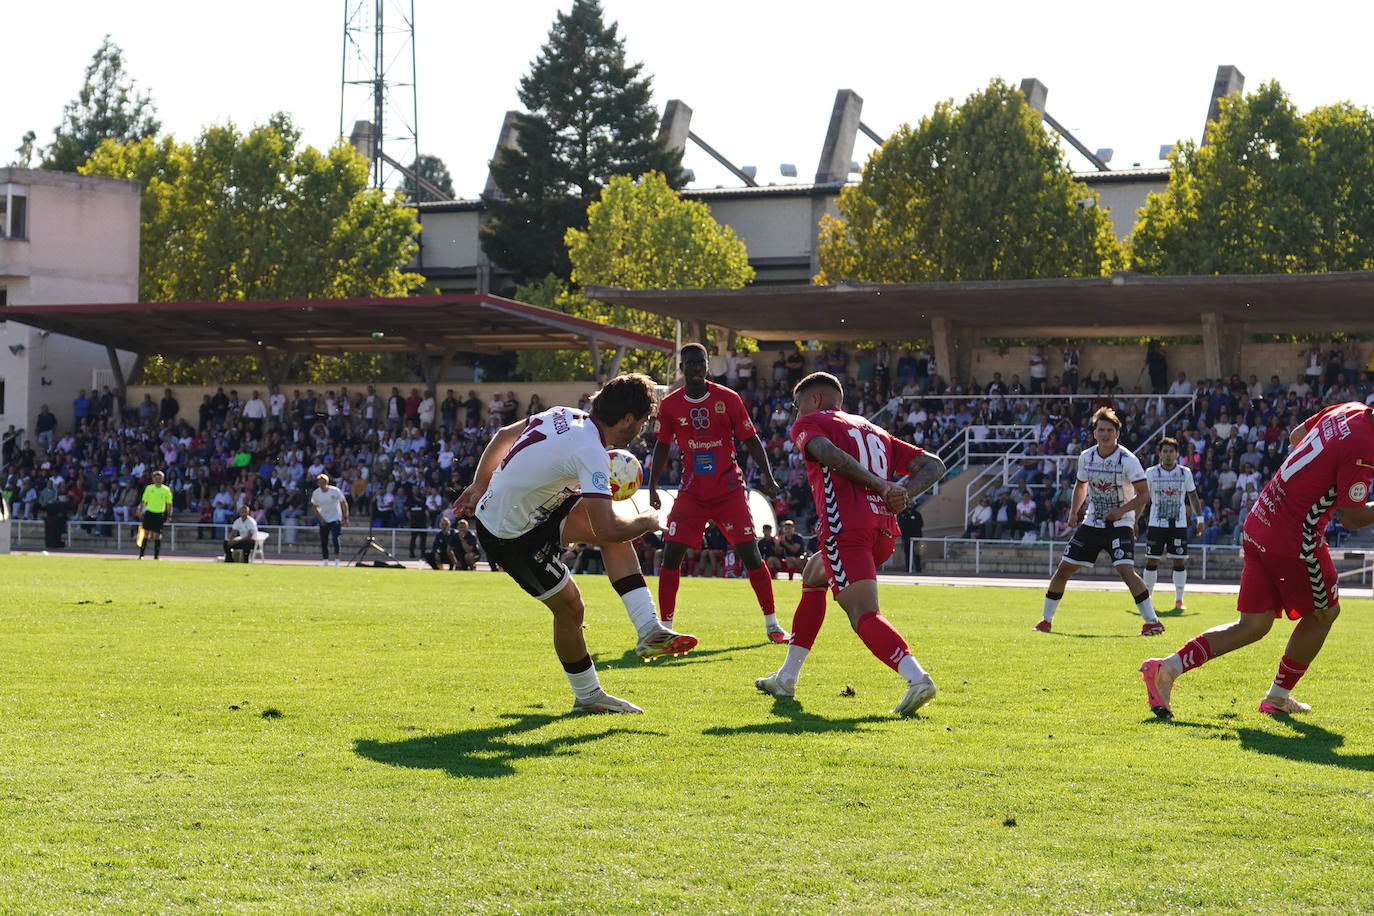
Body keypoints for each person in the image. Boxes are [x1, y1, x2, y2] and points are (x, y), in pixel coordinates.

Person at [456, 372, 696, 715]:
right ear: (626, 419)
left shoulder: (566, 414)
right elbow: (609, 528)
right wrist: (649, 521)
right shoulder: (590, 451)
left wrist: (480, 483)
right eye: (643, 421)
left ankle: (648, 629)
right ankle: (587, 696)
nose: (643, 429)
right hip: (509, 535)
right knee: (571, 609)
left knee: (614, 533)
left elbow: (503, 435)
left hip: (535, 507)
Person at [1142, 402, 1374, 719]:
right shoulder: (1365, 445)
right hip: (1294, 535)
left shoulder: (1349, 409)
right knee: (1325, 613)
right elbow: (1352, 517)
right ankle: (1277, 698)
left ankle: (1166, 669)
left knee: (1254, 624)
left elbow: (1296, 436)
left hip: (1261, 518)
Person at [755, 372, 947, 715]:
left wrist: (882, 485)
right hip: (883, 531)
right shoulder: (872, 429)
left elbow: (824, 452)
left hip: (848, 529)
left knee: (863, 613)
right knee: (814, 575)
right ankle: (786, 677)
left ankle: (917, 678)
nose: (796, 414)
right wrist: (898, 492)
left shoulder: (811, 422)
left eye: (797, 405)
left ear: (814, 400)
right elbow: (934, 465)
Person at [648, 343, 785, 643]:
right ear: (682, 366)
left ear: (708, 365)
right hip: (691, 491)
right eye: (690, 363)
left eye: (701, 362)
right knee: (671, 553)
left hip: (728, 490)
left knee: (750, 553)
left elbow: (750, 439)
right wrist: (654, 485)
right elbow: (661, 445)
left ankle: (772, 624)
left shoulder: (728, 399)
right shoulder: (670, 405)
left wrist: (767, 474)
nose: (696, 367)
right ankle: (665, 626)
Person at [1034, 407, 1163, 635]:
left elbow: (1144, 495)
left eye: (1109, 430)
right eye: (1101, 430)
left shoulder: (1128, 460)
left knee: (1125, 570)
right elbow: (1081, 485)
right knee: (1063, 570)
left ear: (1117, 433)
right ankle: (1046, 620)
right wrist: (1074, 512)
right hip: (1092, 522)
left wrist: (1122, 513)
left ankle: (1152, 621)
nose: (1105, 434)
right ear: (1094, 433)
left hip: (1120, 523)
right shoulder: (1086, 457)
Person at [1139, 437, 1202, 613]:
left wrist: (1200, 519)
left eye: (1171, 451)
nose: (1168, 455)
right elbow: (1143, 497)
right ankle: (1148, 598)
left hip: (1178, 525)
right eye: (1165, 451)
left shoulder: (1185, 473)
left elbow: (1193, 496)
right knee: (1152, 561)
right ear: (1160, 454)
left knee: (1179, 561)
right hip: (1156, 524)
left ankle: (1179, 600)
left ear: (1177, 454)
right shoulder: (1151, 473)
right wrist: (1134, 520)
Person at [311, 473, 349, 567]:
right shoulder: (316, 493)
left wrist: (346, 517)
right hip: (324, 519)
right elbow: (315, 507)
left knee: (336, 539)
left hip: (335, 518)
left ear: (327, 482)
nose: (321, 485)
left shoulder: (335, 491)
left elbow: (343, 503)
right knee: (324, 540)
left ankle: (337, 560)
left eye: (323, 482)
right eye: (319, 483)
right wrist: (320, 519)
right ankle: (325, 560)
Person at [137, 470, 174, 559]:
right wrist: (140, 511)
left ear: (163, 479)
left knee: (158, 535)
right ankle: (141, 555)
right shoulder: (149, 488)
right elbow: (144, 501)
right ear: (153, 479)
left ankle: (156, 556)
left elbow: (169, 504)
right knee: (146, 533)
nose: (158, 480)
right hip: (150, 513)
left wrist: (169, 515)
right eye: (156, 478)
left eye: (160, 478)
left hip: (159, 514)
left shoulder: (166, 490)